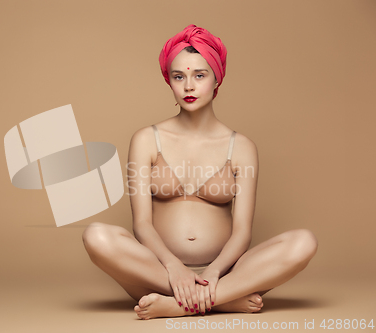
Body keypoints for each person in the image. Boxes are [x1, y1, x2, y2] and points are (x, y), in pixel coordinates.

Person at [82, 24, 318, 320]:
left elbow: (242, 231)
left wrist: (215, 273)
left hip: (227, 273)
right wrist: (173, 267)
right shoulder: (145, 139)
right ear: (168, 81)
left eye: (199, 75)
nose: (189, 86)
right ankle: (222, 302)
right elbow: (141, 224)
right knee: (96, 236)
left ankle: (185, 303)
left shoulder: (241, 147)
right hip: (157, 272)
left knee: (303, 242)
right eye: (178, 76)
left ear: (217, 79)